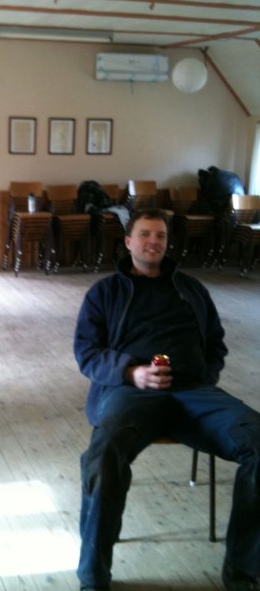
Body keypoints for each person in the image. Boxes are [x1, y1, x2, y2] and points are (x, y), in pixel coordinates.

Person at [74, 208, 260, 591]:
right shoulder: (104, 293)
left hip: (194, 392)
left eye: (160, 235)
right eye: (144, 234)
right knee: (102, 457)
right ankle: (93, 574)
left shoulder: (191, 289)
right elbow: (86, 353)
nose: (153, 242)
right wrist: (131, 373)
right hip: (130, 392)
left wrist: (203, 377)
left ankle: (242, 566)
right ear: (128, 242)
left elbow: (215, 343)